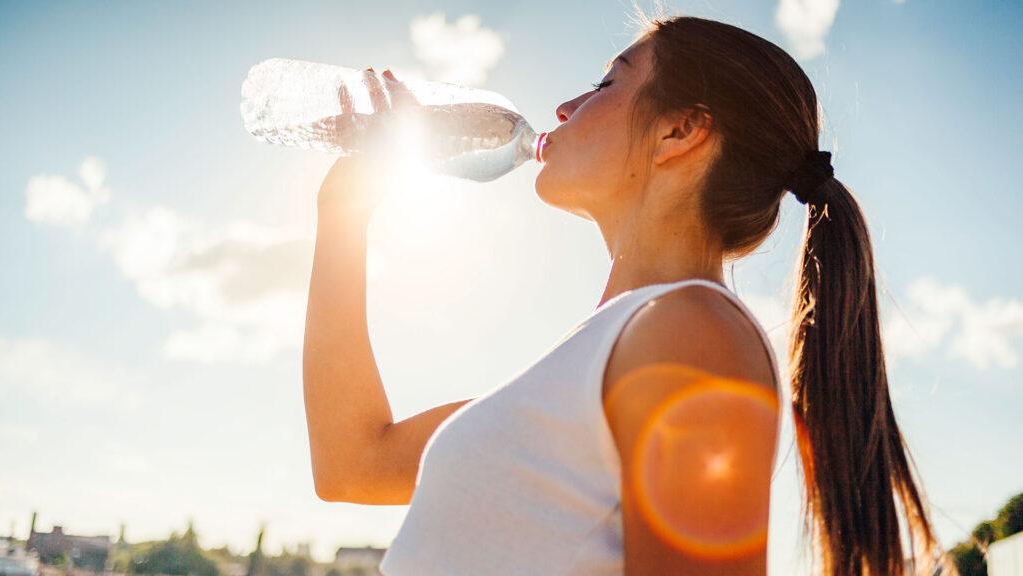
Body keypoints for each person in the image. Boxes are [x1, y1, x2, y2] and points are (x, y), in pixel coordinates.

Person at [303, 11, 951, 576]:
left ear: (680, 133)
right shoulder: (605, 355)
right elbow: (354, 463)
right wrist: (343, 213)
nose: (564, 108)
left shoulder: (692, 333)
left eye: (606, 83)